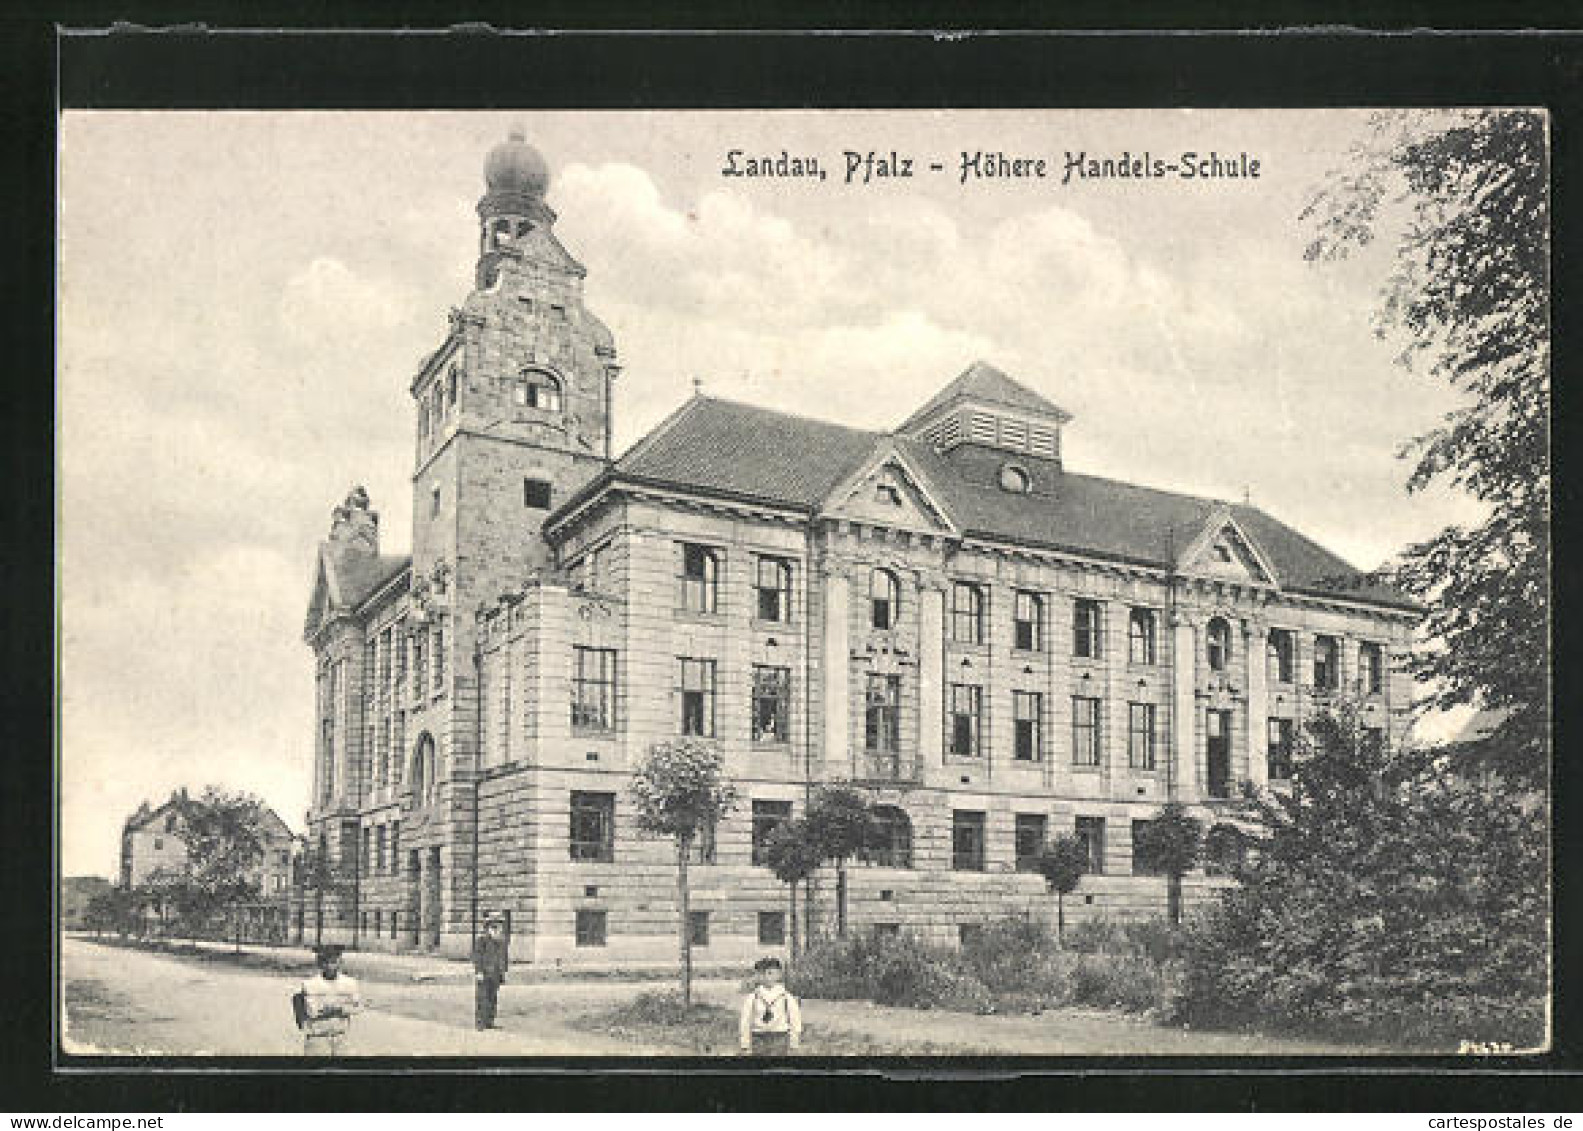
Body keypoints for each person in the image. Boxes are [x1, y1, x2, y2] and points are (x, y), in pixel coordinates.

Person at [297, 944, 362, 1057]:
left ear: (340, 962)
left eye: (333, 962)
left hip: (341, 1037)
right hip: (317, 1038)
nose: (329, 966)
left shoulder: (350, 983)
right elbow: (311, 1011)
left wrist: (338, 1009)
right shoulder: (310, 984)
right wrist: (341, 1008)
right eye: (325, 962)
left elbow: (358, 1007)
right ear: (319, 963)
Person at [739, 955, 801, 1056]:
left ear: (779, 975)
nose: (766, 977)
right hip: (758, 1037)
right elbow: (745, 1020)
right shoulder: (753, 997)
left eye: (770, 973)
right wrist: (745, 1043)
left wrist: (794, 1041)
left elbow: (795, 1019)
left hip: (780, 1037)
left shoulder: (786, 997)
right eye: (761, 973)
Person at [472, 913, 510, 1030]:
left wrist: (503, 971)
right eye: (495, 926)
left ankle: (489, 1021)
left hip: (496, 974)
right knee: (482, 998)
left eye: (499, 925)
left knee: (493, 998)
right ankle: (480, 1022)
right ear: (489, 927)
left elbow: (503, 957)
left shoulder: (501, 941)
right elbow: (477, 956)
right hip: (484, 973)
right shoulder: (482, 940)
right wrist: (478, 971)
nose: (498, 928)